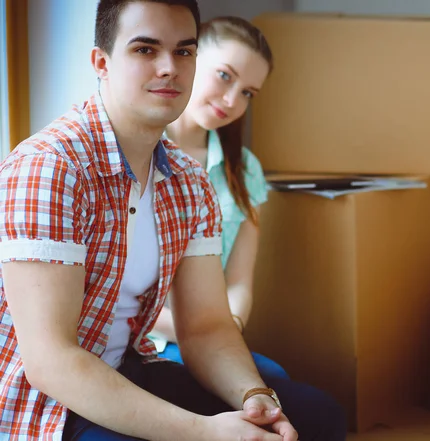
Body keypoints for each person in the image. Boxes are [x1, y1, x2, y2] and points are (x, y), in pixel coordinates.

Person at [0, 1, 345, 440]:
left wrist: (254, 395)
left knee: (319, 415)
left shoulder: (189, 180)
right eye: (145, 49)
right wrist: (207, 432)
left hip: (129, 368)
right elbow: (52, 361)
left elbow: (205, 326)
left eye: (184, 51)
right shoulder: (48, 168)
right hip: (49, 405)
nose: (169, 67)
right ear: (101, 62)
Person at [154, 16, 288, 381]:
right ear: (190, 59)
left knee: (285, 388)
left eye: (247, 92)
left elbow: (240, 280)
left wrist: (227, 328)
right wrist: (199, 331)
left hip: (213, 338)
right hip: (142, 342)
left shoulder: (244, 171)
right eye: (225, 76)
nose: (232, 101)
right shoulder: (139, 151)